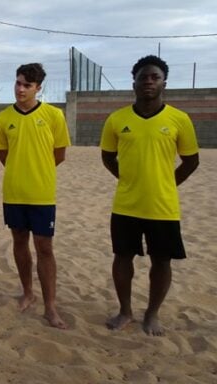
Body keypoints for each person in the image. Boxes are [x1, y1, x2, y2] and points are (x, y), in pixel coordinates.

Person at [101, 55, 199, 336]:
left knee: (162, 261)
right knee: (122, 258)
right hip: (126, 205)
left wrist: (166, 184)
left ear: (164, 82)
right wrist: (127, 179)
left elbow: (191, 161)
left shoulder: (179, 119)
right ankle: (125, 311)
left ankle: (152, 314)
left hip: (163, 206)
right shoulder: (117, 119)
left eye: (154, 77)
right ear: (134, 82)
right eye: (143, 77)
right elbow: (108, 157)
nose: (148, 81)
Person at [0, 63, 70, 329]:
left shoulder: (54, 115)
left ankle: (50, 306)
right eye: (18, 83)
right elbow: (4, 156)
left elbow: (59, 154)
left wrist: (38, 172)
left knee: (45, 248)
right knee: (19, 242)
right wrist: (21, 172)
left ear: (38, 88)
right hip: (14, 192)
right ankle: (27, 292)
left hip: (42, 194)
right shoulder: (3, 119)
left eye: (27, 85)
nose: (21, 89)